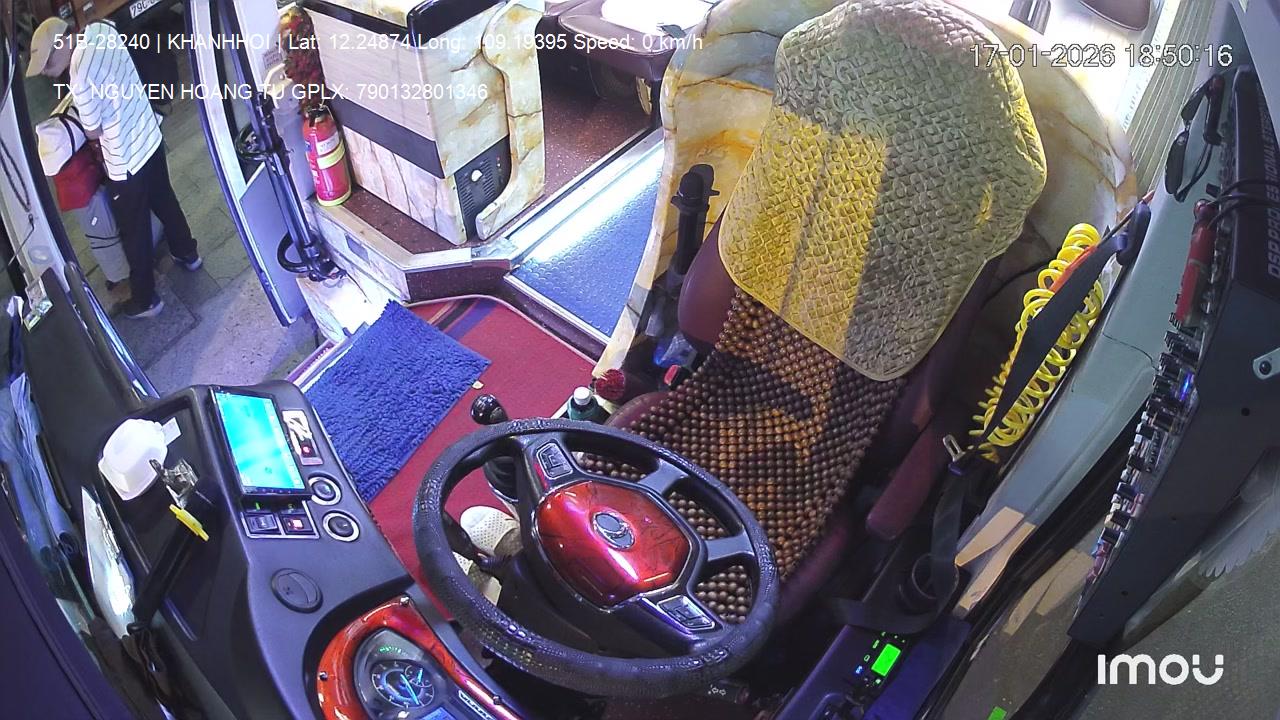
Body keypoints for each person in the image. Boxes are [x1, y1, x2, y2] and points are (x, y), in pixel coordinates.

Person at [27, 16, 200, 319]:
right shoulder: (101, 29)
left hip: (125, 161)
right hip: (149, 134)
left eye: (48, 64)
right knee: (165, 198)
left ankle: (146, 300)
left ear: (62, 42)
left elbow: (93, 130)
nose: (47, 73)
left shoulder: (79, 75)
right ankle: (188, 252)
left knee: (134, 231)